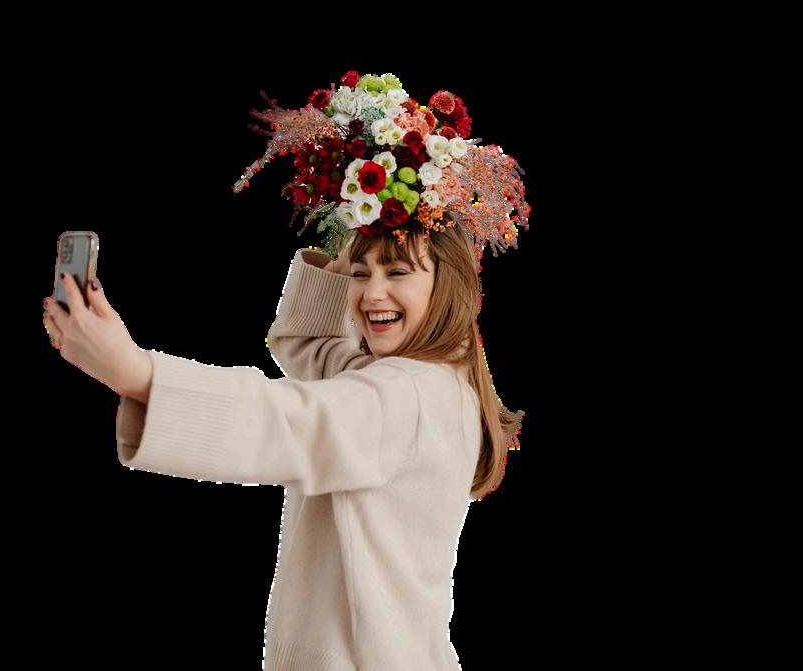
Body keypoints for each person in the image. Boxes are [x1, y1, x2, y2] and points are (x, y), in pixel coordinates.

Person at [42, 72, 528, 669]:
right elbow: (306, 342)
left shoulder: (404, 396)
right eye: (361, 274)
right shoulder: (424, 382)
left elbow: (290, 419)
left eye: (399, 272)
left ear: (448, 284)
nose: (372, 292)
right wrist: (360, 220)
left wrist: (135, 371)